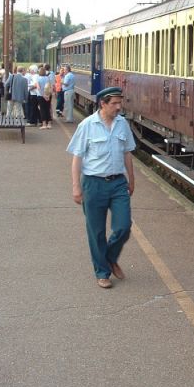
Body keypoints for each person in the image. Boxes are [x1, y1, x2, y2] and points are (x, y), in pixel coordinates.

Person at [66, 87, 136, 289]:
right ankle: (102, 272)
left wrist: (131, 179)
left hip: (117, 183)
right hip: (93, 184)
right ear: (102, 104)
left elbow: (128, 154)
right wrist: (76, 187)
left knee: (123, 226)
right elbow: (77, 158)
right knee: (96, 232)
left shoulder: (122, 124)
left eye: (119, 103)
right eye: (114, 103)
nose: (118, 107)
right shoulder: (87, 125)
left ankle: (109, 257)